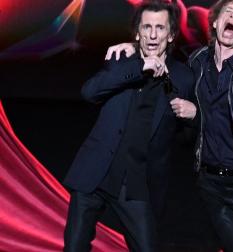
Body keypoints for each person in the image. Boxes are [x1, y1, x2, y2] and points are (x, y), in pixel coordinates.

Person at [106, 0, 233, 251]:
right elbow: (165, 64)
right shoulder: (197, 60)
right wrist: (133, 46)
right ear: (215, 23)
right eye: (229, 12)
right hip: (210, 184)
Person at [62, 1, 196, 251]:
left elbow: (185, 138)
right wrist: (138, 67)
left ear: (171, 34)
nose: (153, 34)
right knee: (73, 248)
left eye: (160, 28)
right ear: (138, 32)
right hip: (95, 172)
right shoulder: (120, 58)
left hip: (137, 183)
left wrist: (194, 116)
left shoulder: (184, 77)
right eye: (147, 27)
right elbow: (90, 92)